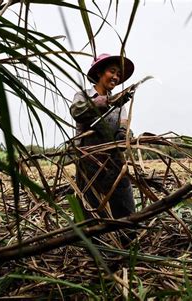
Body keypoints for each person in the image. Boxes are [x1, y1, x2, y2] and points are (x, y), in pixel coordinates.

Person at [70, 53, 136, 231]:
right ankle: (94, 251)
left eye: (118, 74)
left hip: (115, 162)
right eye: (112, 71)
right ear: (99, 72)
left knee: (126, 209)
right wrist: (108, 101)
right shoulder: (83, 96)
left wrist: (124, 134)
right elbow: (77, 112)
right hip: (89, 162)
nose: (116, 77)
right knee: (89, 213)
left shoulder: (121, 103)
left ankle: (129, 243)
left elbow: (124, 124)